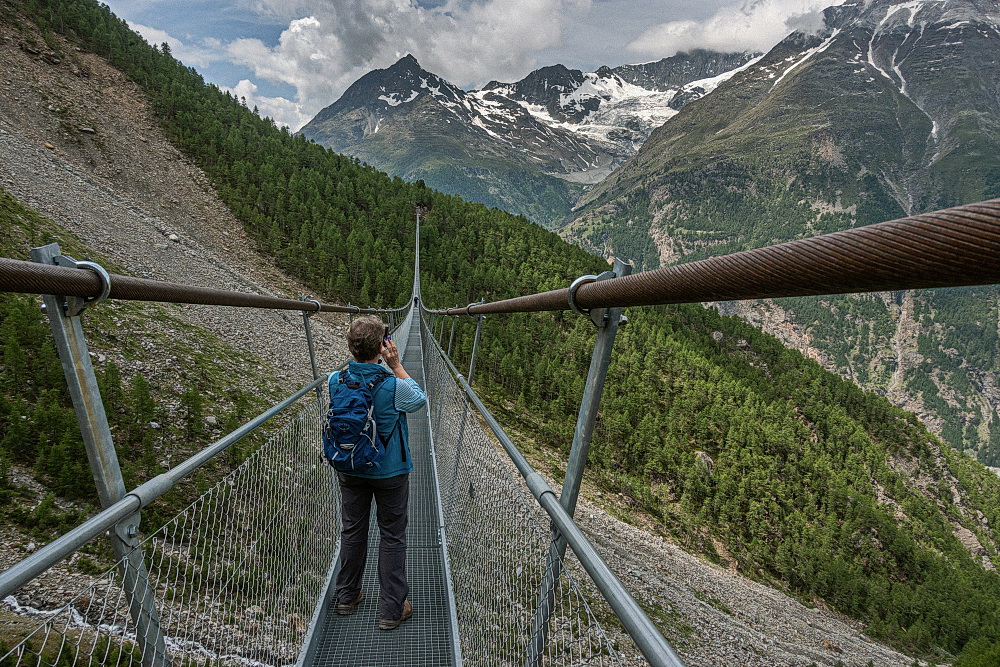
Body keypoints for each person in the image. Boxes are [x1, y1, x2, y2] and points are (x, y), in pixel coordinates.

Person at [331, 315, 426, 630]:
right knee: (393, 536)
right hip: (390, 472)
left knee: (352, 531)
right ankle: (391, 609)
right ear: (383, 346)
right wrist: (396, 364)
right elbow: (419, 399)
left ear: (350, 346)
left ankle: (347, 596)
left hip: (351, 466)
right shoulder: (393, 385)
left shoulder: (336, 380)